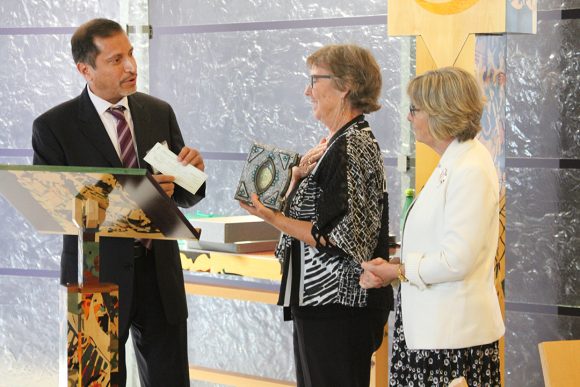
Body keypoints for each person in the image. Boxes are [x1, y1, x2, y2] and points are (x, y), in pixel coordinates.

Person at [32, 18, 205, 387]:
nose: (131, 66)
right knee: (99, 383)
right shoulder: (53, 127)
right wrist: (134, 198)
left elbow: (186, 194)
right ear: (85, 69)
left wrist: (194, 174)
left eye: (130, 53)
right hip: (95, 275)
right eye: (115, 59)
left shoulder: (158, 112)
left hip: (160, 275)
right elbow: (56, 209)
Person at [240, 44, 393, 387]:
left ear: (346, 85)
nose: (307, 90)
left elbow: (341, 236)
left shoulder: (351, 145)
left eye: (314, 80)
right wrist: (296, 178)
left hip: (338, 304)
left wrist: (272, 218)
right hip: (325, 304)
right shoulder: (340, 142)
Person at [360, 67, 505, 386]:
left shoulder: (470, 170)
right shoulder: (454, 162)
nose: (409, 118)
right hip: (432, 333)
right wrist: (398, 265)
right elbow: (439, 247)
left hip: (452, 341)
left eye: (415, 109)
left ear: (442, 113)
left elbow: (457, 260)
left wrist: (398, 271)